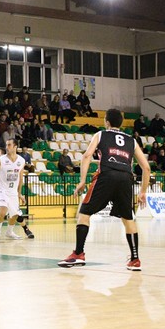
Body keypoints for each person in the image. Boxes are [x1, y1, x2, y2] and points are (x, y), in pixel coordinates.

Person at [58, 108, 151, 271]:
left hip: (106, 175)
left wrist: (82, 181)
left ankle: (79, 253)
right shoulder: (132, 140)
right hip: (125, 179)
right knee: (128, 219)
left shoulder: (100, 135)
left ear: (106, 122)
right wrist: (143, 192)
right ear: (121, 123)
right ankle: (135, 259)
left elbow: (87, 156)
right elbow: (146, 167)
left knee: (84, 214)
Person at [0, 138, 26, 242]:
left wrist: (19, 194)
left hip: (12, 192)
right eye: (6, 145)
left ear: (15, 146)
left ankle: (9, 232)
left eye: (9, 145)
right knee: (2, 211)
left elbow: (20, 178)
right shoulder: (0, 159)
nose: (7, 147)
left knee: (15, 214)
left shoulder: (21, 161)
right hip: (1, 190)